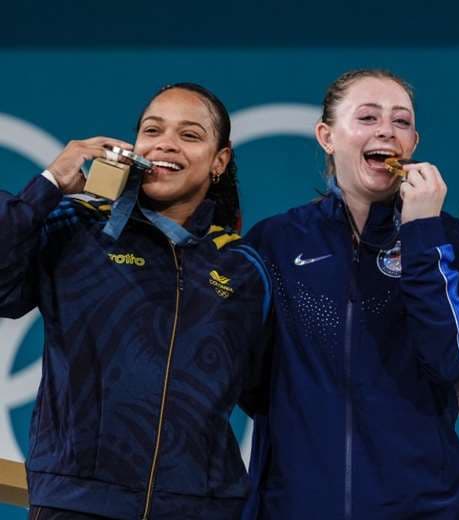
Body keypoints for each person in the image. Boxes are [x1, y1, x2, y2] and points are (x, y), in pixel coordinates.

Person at [0, 83, 271, 519]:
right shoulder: (77, 227)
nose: (166, 143)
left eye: (190, 134)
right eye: (153, 130)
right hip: (79, 506)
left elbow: (268, 394)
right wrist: (48, 184)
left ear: (219, 160)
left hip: (199, 510)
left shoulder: (242, 267)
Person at [244, 69, 459, 519]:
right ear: (327, 136)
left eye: (401, 122)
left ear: (413, 144)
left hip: (426, 508)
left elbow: (452, 360)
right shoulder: (276, 243)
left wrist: (422, 234)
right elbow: (250, 383)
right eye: (367, 117)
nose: (386, 131)